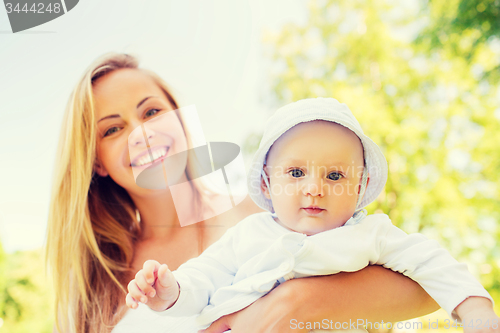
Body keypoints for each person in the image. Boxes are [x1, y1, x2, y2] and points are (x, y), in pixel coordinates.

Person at [46, 53, 439, 333]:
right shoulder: (97, 283)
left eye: (151, 112)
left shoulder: (269, 213)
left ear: (180, 118)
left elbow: (428, 288)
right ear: (95, 161)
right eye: (113, 129)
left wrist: (297, 304)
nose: (142, 133)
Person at [126, 98, 499, 333]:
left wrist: (477, 310)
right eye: (296, 173)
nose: (314, 188)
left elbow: (431, 263)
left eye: (335, 176)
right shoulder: (249, 233)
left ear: (360, 186)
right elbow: (203, 279)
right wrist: (169, 291)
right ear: (268, 183)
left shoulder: (371, 233)